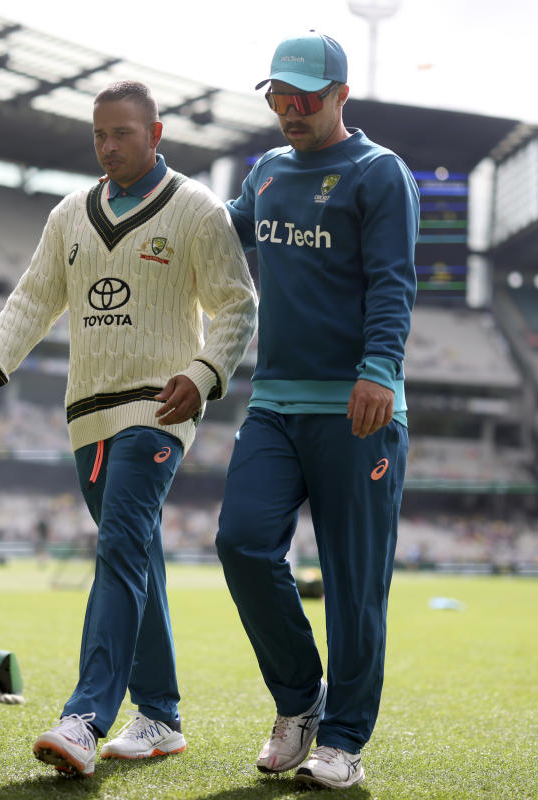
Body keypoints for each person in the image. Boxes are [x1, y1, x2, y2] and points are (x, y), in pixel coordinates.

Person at [0, 80, 256, 778]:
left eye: (123, 133)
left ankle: (87, 716)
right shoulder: (68, 215)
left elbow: (238, 307)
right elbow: (33, 298)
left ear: (156, 135)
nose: (109, 145)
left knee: (119, 545)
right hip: (86, 415)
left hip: (159, 409)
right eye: (99, 135)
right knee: (136, 554)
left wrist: (205, 372)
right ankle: (161, 716)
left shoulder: (198, 211)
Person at [213, 32, 418, 791]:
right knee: (240, 542)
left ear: (340, 96)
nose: (290, 110)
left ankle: (344, 740)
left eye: (305, 97)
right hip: (274, 404)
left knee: (354, 583)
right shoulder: (265, 171)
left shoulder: (379, 173)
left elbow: (394, 282)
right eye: (279, 97)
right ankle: (300, 701)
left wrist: (379, 370)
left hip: (359, 407)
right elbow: (217, 231)